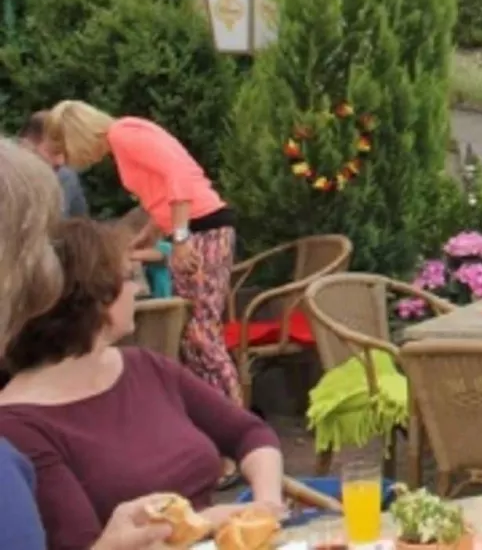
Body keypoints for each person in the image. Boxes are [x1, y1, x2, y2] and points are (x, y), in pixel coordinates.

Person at [0, 218, 284, 550]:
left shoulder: (144, 366)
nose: (138, 289)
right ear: (95, 299)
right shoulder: (17, 425)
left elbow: (249, 433)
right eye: (129, 278)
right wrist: (214, 519)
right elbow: (83, 543)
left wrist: (266, 504)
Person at [0, 139, 180, 550]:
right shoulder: (13, 438)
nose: (50, 275)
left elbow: (248, 435)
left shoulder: (142, 366)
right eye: (37, 247)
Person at [45, 102, 241, 402]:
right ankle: (216, 415)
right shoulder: (124, 138)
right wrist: (148, 235)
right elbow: (161, 191)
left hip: (204, 230)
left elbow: (178, 177)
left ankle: (235, 418)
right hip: (197, 228)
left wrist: (180, 237)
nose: (66, 159)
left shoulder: (125, 135)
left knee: (201, 335)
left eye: (65, 149)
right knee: (193, 335)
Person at [19, 111, 88, 219]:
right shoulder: (6, 178)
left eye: (65, 153)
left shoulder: (66, 177)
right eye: (54, 152)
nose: (60, 162)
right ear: (26, 145)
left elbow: (79, 228)